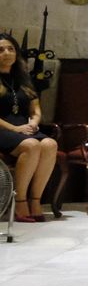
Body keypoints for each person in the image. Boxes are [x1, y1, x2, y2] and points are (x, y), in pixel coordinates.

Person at [0, 34, 58, 223]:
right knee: (31, 145)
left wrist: (34, 122)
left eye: (11, 49)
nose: (6, 53)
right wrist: (15, 130)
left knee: (50, 144)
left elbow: (36, 110)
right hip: (4, 129)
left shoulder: (24, 79)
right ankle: (20, 200)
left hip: (25, 129)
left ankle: (36, 200)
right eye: (0, 50)